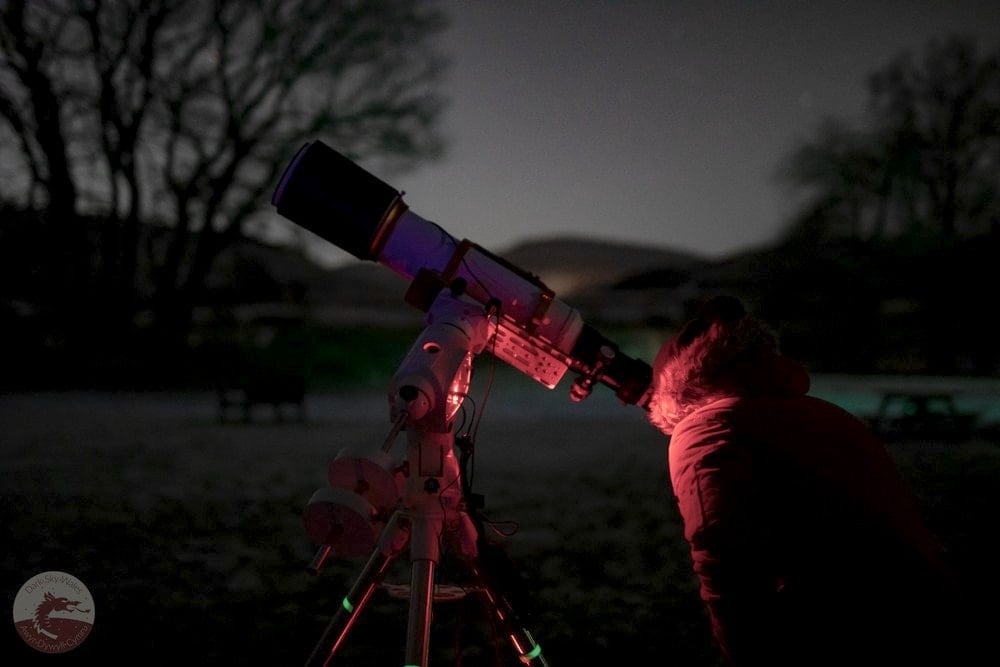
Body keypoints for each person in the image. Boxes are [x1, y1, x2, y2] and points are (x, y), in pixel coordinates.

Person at [645, 294, 980, 667]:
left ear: (675, 389)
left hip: (841, 636)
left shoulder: (706, 429)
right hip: (931, 615)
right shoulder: (823, 413)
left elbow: (724, 560)